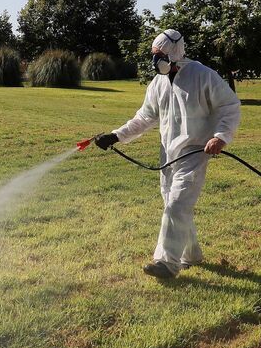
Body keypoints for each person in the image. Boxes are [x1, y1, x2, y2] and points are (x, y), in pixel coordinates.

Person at [95, 29, 241, 279]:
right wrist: (116, 135)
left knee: (176, 204)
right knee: (175, 205)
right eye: (153, 55)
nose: (155, 60)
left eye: (160, 54)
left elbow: (229, 106)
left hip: (195, 151)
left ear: (174, 53)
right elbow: (144, 117)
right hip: (168, 154)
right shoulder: (158, 83)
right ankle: (191, 254)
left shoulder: (203, 76)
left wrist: (220, 136)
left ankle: (166, 262)